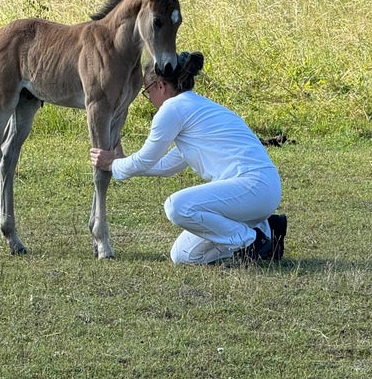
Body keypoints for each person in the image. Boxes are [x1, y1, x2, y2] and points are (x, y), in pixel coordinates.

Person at [90, 51, 287, 265]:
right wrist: (121, 162)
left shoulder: (173, 109)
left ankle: (252, 242)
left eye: (147, 91)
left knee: (177, 206)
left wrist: (113, 164)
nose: (149, 99)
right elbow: (167, 165)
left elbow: (146, 159)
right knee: (184, 255)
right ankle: (268, 230)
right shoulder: (196, 108)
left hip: (253, 187)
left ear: (161, 86)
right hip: (259, 192)